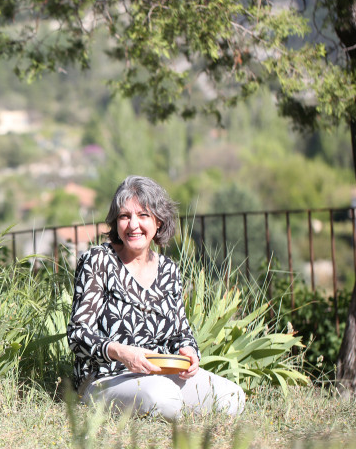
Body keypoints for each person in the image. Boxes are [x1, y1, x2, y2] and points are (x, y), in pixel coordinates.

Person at [66, 175, 245, 420]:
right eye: (124, 216)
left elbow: (181, 332)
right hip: (106, 378)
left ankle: (174, 406)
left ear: (159, 222)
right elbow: (78, 334)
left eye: (143, 215)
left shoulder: (169, 270)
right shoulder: (98, 260)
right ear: (116, 222)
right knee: (164, 397)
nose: (132, 225)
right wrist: (122, 352)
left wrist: (189, 351)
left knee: (231, 397)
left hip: (160, 376)